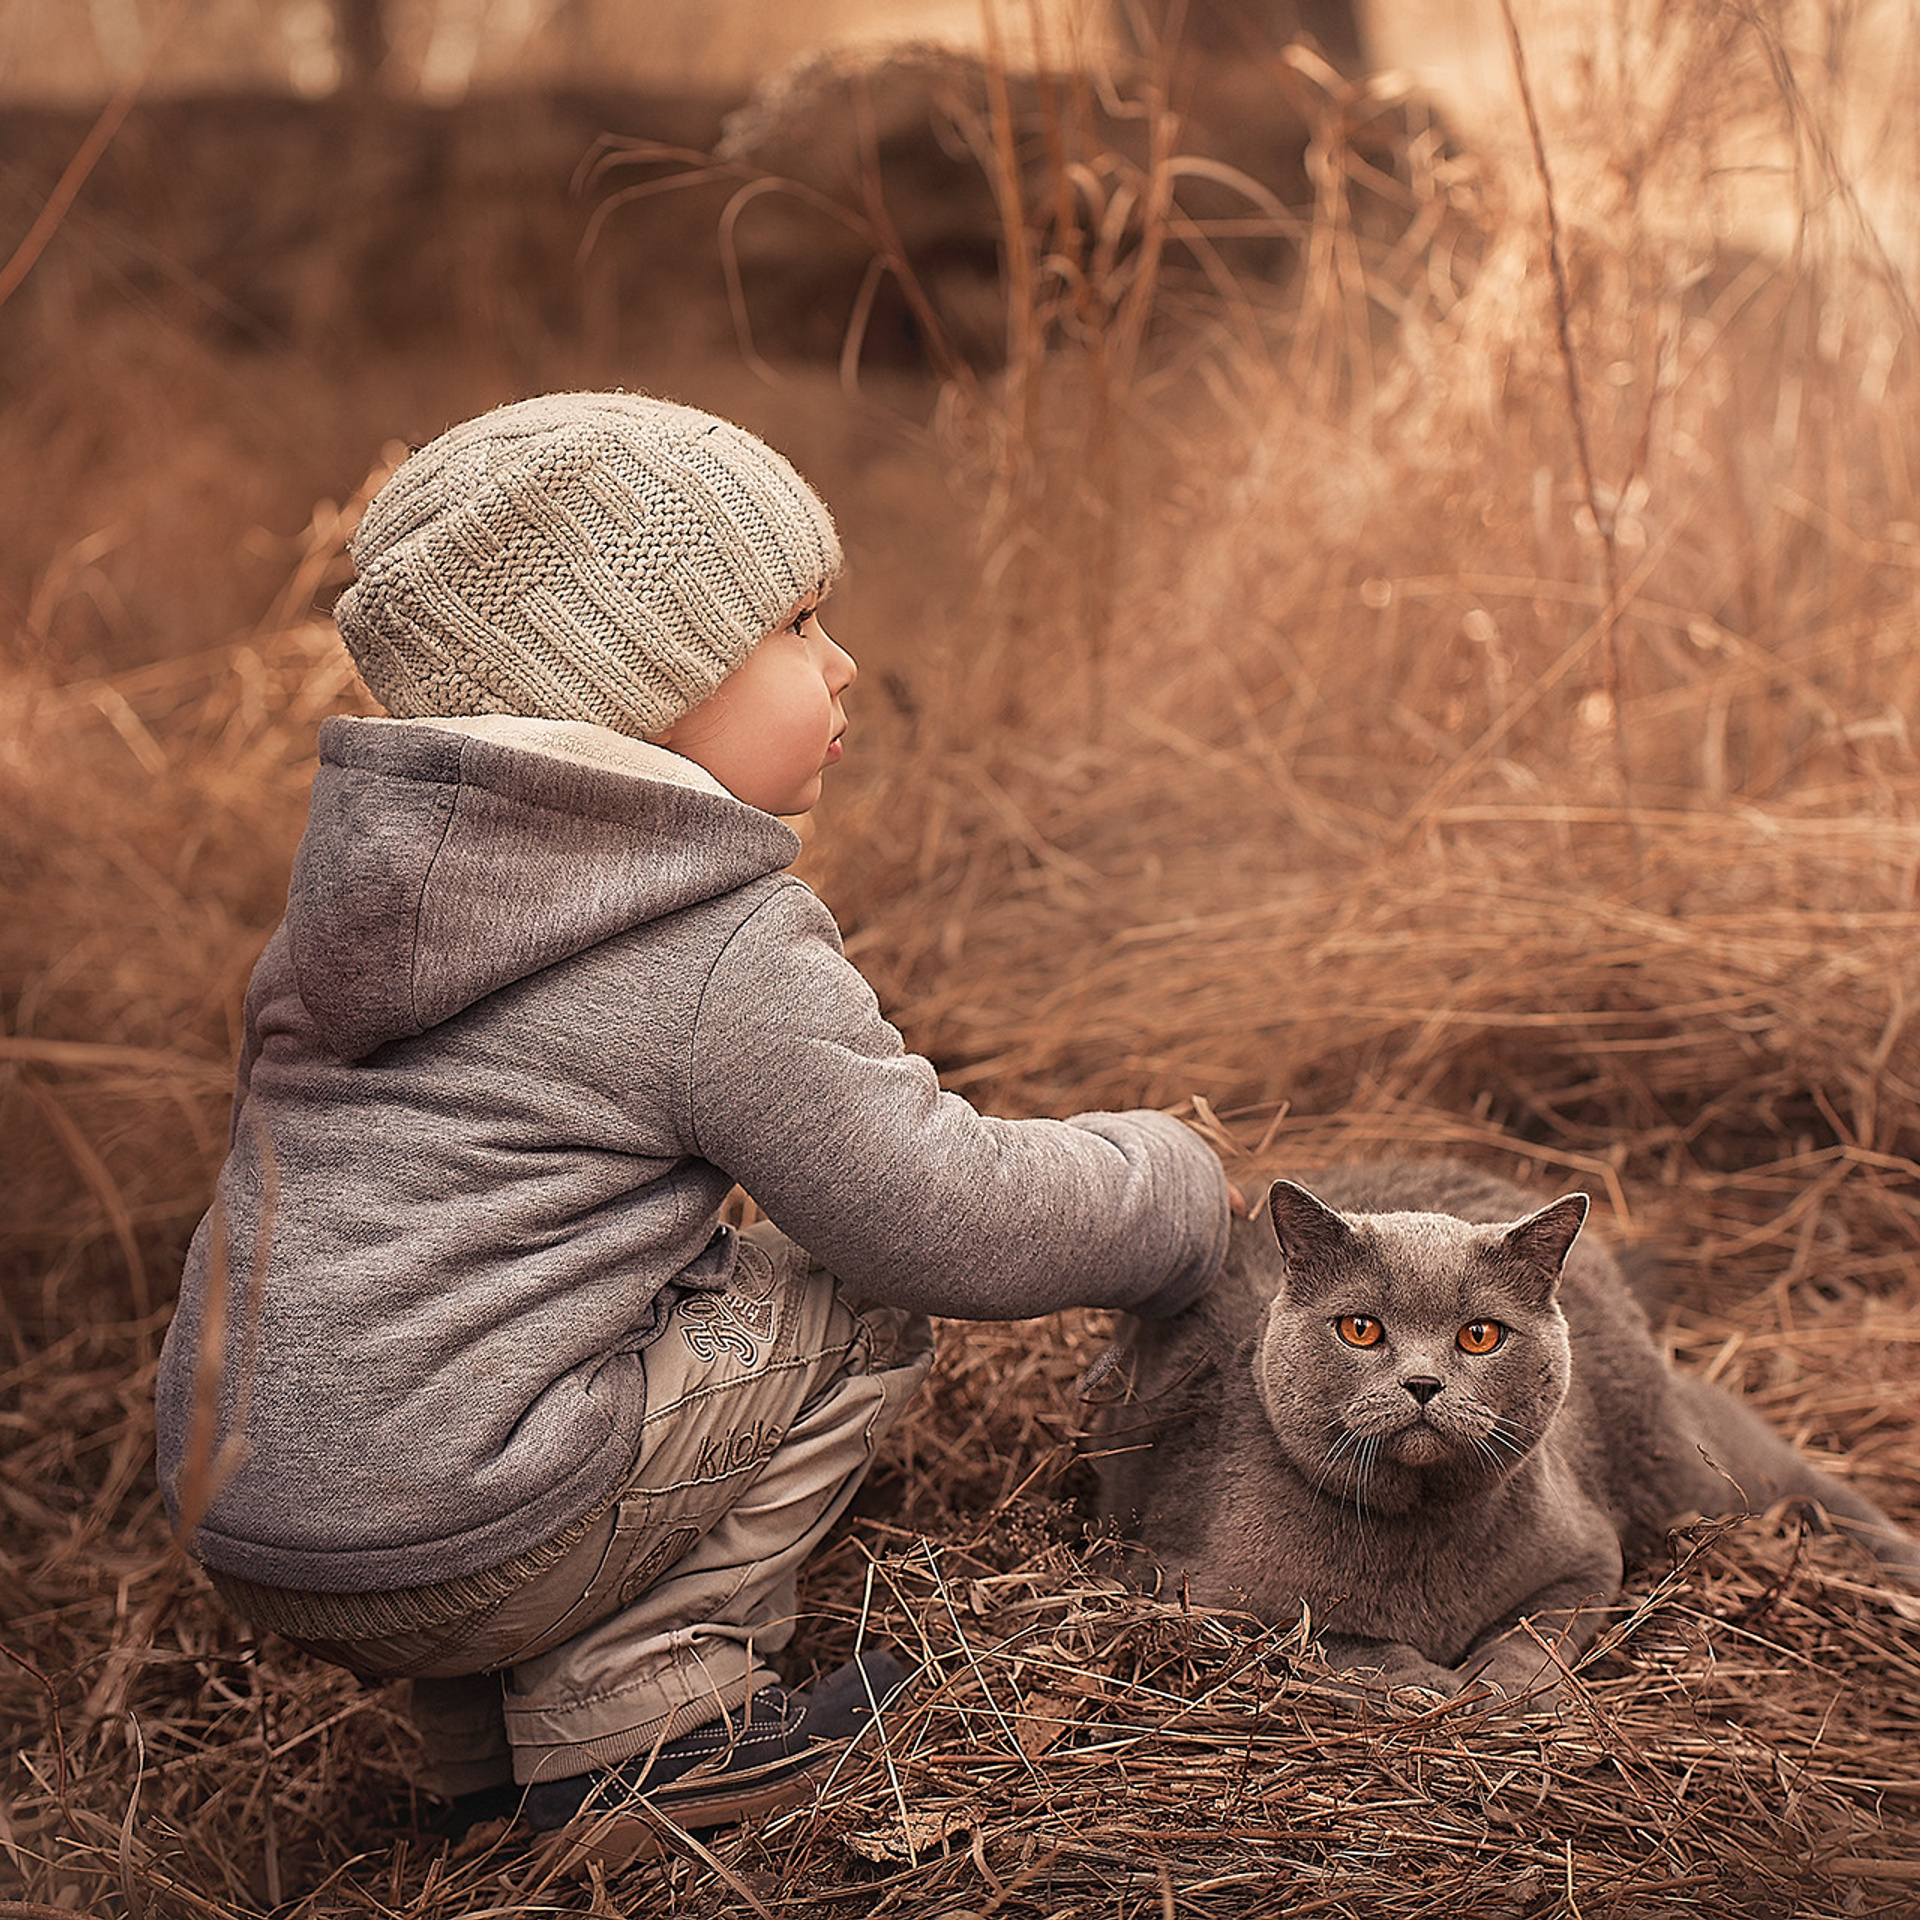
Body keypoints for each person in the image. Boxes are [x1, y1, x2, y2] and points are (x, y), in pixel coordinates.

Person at [155, 391, 1232, 1867]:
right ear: (641, 677)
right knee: (842, 1294)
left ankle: (488, 1768)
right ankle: (645, 1730)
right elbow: (936, 1215)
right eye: (796, 623)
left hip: (258, 1510)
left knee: (529, 1306)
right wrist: (1168, 1185)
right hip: (467, 1521)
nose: (843, 662)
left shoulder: (364, 907)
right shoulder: (705, 936)